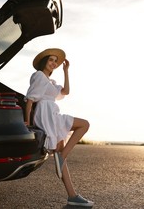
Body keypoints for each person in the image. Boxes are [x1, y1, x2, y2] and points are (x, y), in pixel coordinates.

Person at [24, 48, 94, 207]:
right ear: (44, 62)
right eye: (51, 60)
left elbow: (66, 92)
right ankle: (63, 158)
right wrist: (27, 122)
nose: (54, 63)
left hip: (53, 114)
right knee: (84, 124)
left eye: (56, 61)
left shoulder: (51, 82)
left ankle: (72, 196)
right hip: (47, 115)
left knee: (60, 152)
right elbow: (29, 100)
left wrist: (66, 71)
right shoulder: (39, 76)